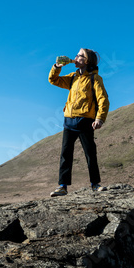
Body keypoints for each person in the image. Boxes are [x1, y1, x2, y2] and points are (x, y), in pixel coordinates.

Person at [48, 48, 110, 197]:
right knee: (65, 154)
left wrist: (99, 118)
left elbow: (103, 100)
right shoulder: (72, 77)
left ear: (86, 61)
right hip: (69, 121)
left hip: (85, 122)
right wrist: (57, 67)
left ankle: (95, 184)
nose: (75, 57)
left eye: (79, 55)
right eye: (76, 55)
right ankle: (62, 186)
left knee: (90, 154)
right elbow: (53, 80)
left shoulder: (95, 79)